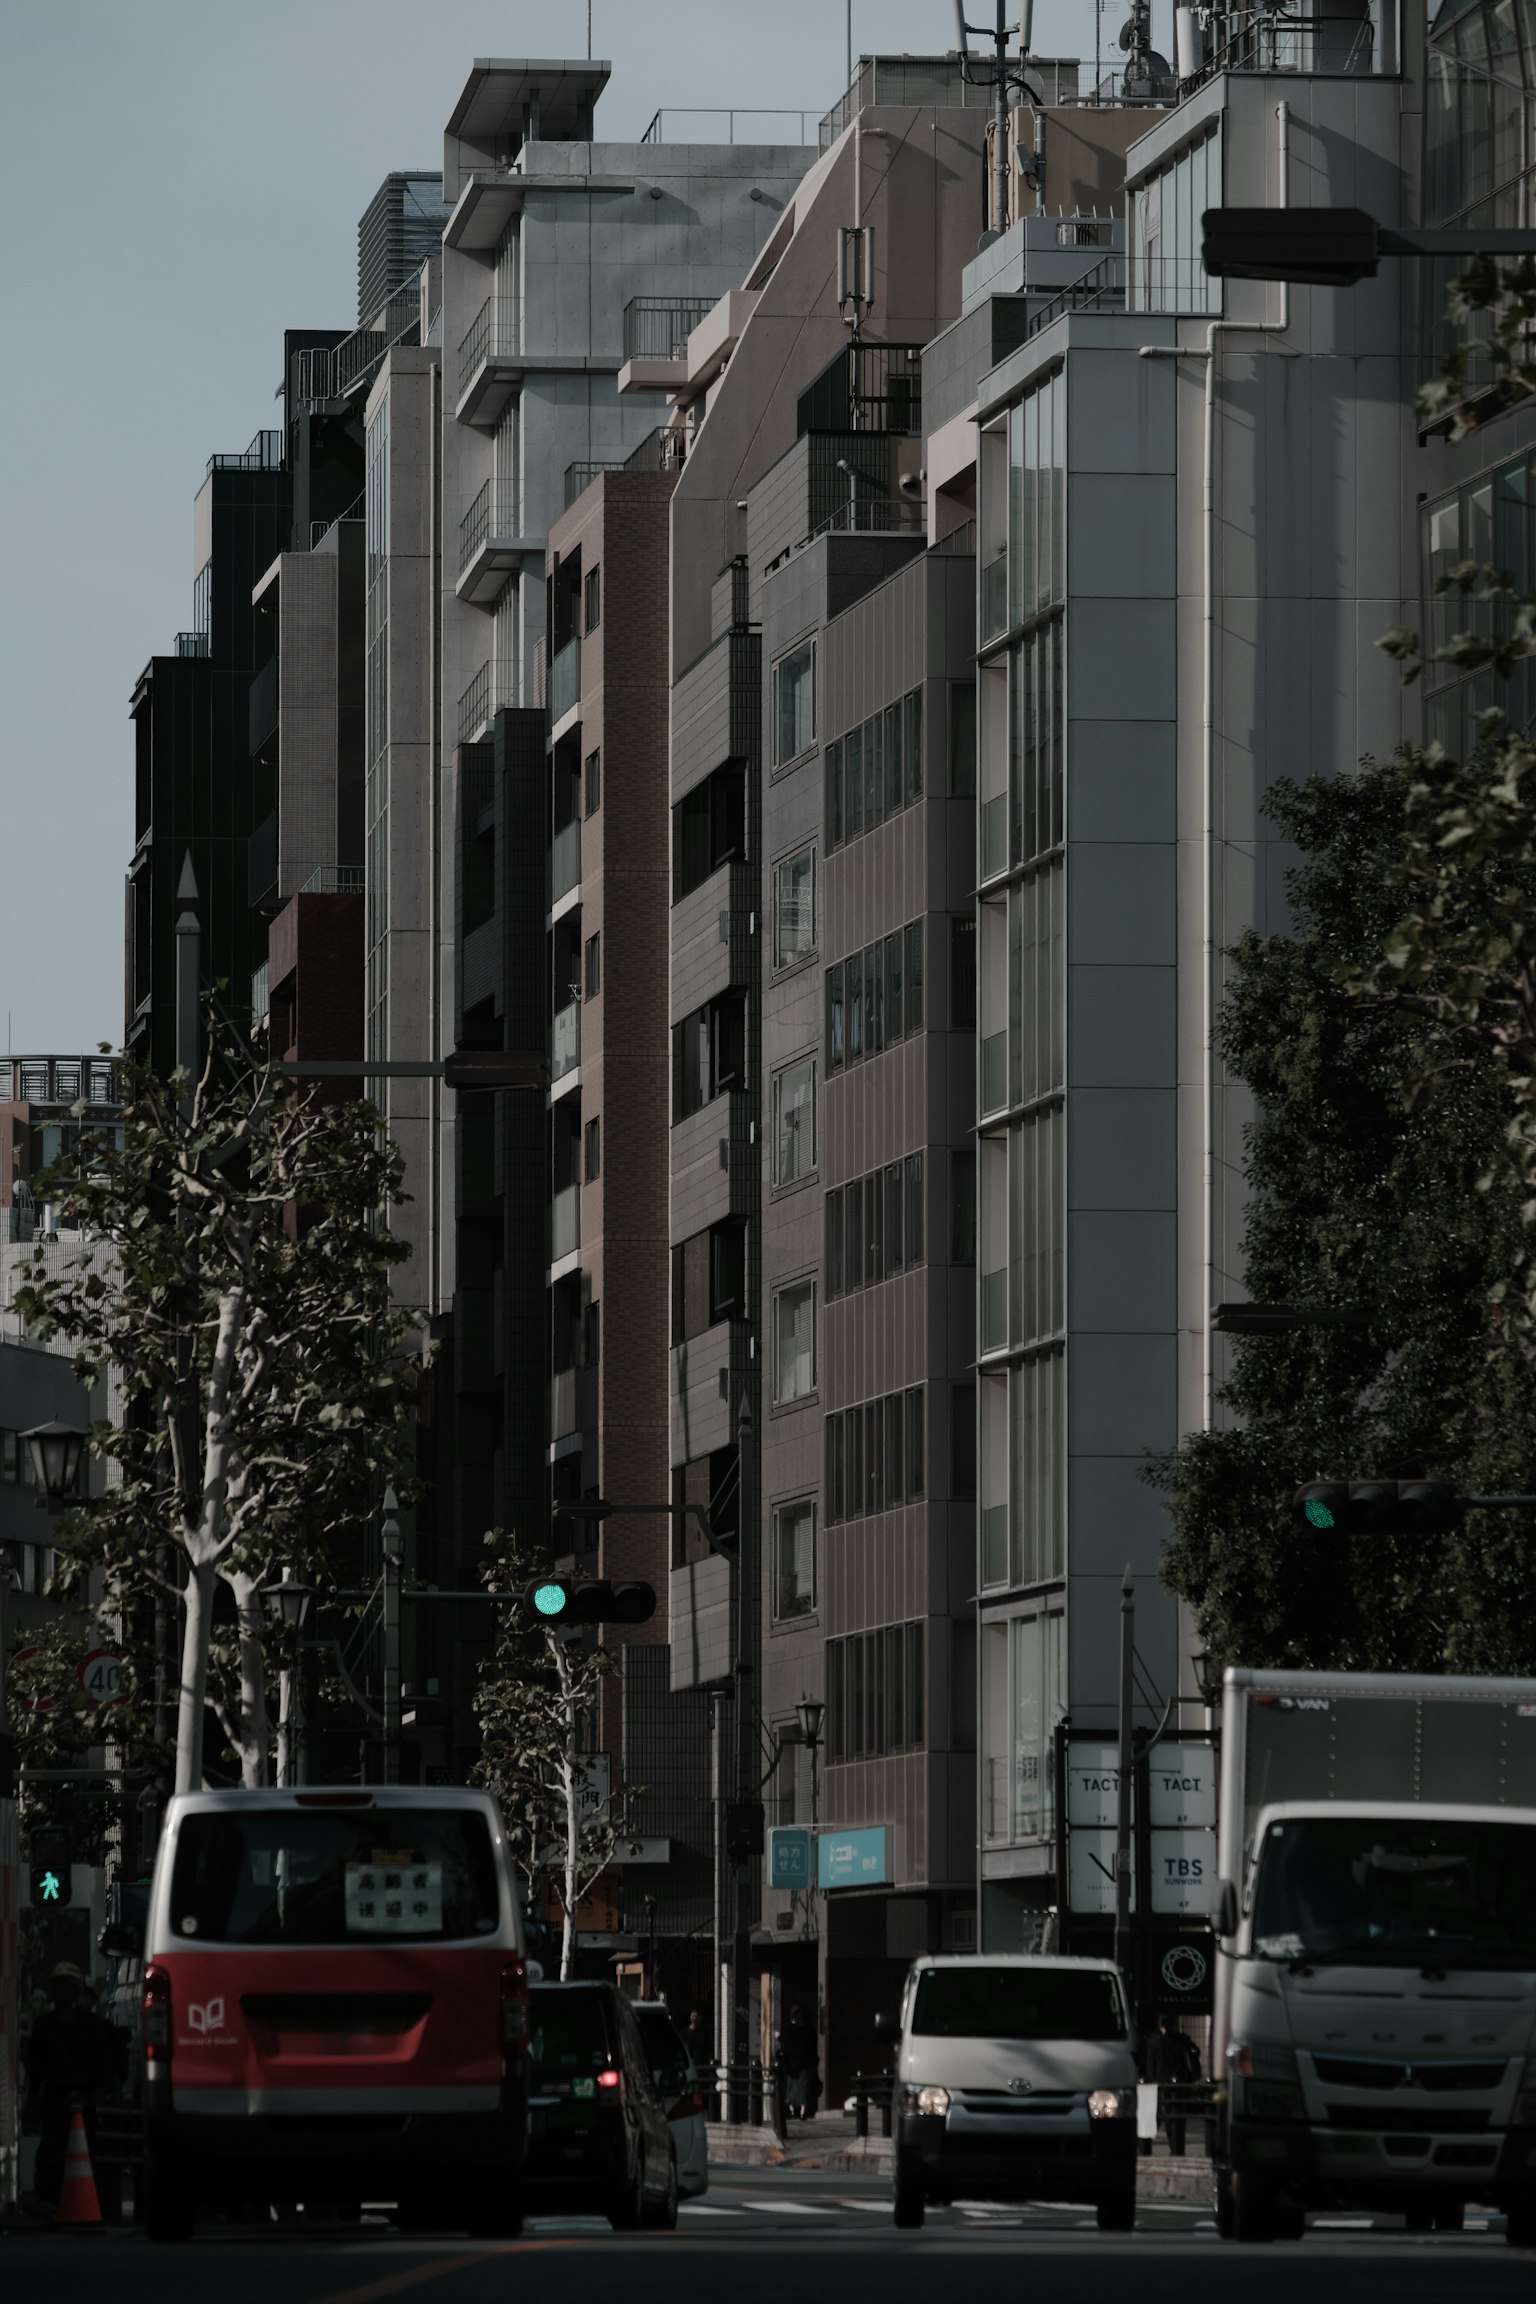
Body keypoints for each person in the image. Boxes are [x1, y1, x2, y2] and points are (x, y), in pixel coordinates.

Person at [22, 1962, 118, 2211]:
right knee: (52, 2152)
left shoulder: (93, 2027)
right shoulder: (45, 2026)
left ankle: (85, 2201)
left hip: (84, 2097)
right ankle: (50, 2200)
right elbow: (36, 2068)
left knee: (84, 2150)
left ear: (76, 1991)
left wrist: (97, 2094)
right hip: (56, 2096)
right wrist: (33, 2099)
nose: (62, 1992)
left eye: (67, 1987)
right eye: (58, 1986)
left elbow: (104, 2065)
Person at [1145, 2014, 1201, 2156]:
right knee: (1176, 2119)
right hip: (1179, 2084)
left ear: (1160, 2026)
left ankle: (1145, 2148)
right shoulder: (1182, 2040)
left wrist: (1151, 2081)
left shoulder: (1153, 2043)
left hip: (1160, 2084)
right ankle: (1177, 2150)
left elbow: (1150, 2068)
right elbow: (1196, 2053)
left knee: (1155, 2117)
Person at [776, 2002, 819, 2122]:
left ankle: (791, 2111)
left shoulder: (789, 2029)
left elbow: (785, 2045)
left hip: (792, 2065)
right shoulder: (808, 2030)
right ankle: (802, 2113)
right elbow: (811, 2047)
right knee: (803, 2088)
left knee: (791, 2088)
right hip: (804, 2064)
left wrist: (779, 2038)